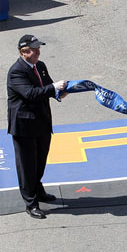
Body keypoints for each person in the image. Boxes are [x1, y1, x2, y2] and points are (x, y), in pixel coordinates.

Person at [7, 35, 67, 219]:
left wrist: (59, 92)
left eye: (38, 48)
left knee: (40, 160)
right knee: (27, 166)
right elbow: (31, 94)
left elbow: (48, 86)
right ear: (23, 52)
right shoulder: (16, 71)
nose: (38, 51)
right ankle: (31, 203)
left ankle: (38, 189)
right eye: (34, 49)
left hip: (41, 123)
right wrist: (53, 89)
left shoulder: (40, 66)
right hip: (24, 127)